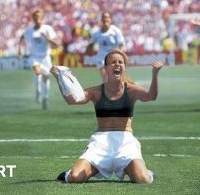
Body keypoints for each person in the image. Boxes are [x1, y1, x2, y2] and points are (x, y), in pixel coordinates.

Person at [50, 49, 163, 183]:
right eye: (113, 62)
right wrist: (59, 78)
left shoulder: (131, 90)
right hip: (100, 142)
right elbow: (73, 100)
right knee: (75, 178)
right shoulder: (96, 91)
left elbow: (152, 96)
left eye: (120, 62)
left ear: (124, 67)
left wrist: (155, 74)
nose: (117, 64)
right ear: (106, 68)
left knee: (143, 179)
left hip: (125, 141)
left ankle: (144, 171)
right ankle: (78, 171)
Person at [19, 9, 60, 110]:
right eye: (35, 17)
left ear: (42, 18)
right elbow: (22, 38)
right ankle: (38, 90)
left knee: (46, 77)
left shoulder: (47, 29)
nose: (37, 19)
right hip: (34, 57)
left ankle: (45, 98)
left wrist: (47, 38)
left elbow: (56, 44)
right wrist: (20, 49)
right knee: (37, 72)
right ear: (33, 18)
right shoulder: (29, 30)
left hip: (45, 58)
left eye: (39, 17)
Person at [86, 11, 126, 82]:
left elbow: (121, 45)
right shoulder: (97, 33)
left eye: (107, 17)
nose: (105, 19)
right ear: (101, 20)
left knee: (118, 81)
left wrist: (121, 56)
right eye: (103, 18)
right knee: (106, 80)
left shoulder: (116, 31)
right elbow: (90, 45)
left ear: (110, 20)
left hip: (114, 59)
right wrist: (88, 52)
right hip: (102, 59)